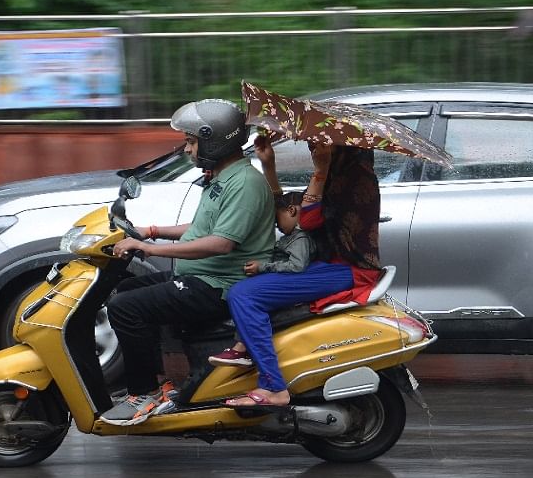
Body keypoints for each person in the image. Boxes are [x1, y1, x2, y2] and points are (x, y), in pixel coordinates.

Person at [100, 99, 276, 426]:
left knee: (125, 307)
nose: (187, 149)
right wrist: (151, 231)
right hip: (201, 278)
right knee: (125, 290)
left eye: (192, 142)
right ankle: (161, 381)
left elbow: (221, 243)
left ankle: (145, 393)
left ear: (213, 141)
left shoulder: (244, 184)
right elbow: (200, 229)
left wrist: (150, 249)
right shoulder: (222, 178)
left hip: (219, 286)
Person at [219, 136, 382, 407]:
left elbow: (306, 219)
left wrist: (320, 169)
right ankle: (247, 344)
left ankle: (274, 387)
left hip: (349, 271)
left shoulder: (353, 179)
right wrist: (269, 165)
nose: (314, 149)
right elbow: (289, 214)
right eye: (312, 145)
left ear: (344, 147)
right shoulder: (337, 174)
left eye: (321, 144)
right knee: (255, 285)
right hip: (330, 266)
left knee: (244, 295)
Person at [208, 191, 315, 404]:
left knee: (246, 297)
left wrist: (264, 267)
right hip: (283, 278)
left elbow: (296, 266)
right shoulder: (290, 237)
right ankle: (242, 347)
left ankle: (250, 356)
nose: (277, 226)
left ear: (291, 211)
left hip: (293, 280)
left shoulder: (300, 238)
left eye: (277, 219)